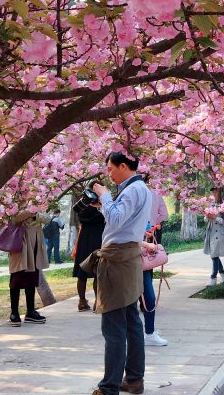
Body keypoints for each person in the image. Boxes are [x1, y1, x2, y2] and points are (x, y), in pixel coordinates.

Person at [85, 152, 152, 395]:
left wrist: (104, 196)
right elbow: (120, 221)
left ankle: (109, 387)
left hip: (118, 260)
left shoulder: (132, 190)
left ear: (124, 166)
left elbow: (114, 220)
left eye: (111, 169)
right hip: (128, 258)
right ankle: (134, 379)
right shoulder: (141, 188)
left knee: (113, 326)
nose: (110, 175)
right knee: (132, 322)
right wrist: (104, 204)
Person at [8, 210, 50, 327]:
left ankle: (30, 312)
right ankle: (14, 313)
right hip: (20, 247)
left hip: (35, 247)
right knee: (16, 279)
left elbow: (47, 219)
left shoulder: (39, 201)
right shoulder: (15, 202)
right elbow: (15, 219)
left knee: (32, 280)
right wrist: (31, 212)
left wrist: (36, 213)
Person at [140, 187, 169, 347]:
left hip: (140, 260)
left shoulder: (142, 213)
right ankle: (136, 333)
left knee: (149, 297)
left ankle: (149, 332)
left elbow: (148, 227)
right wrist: (145, 242)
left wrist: (148, 233)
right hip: (125, 261)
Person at [72, 199, 105, 312]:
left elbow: (81, 217)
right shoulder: (101, 205)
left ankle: (82, 301)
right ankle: (97, 301)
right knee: (98, 271)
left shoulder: (82, 204)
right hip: (98, 238)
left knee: (82, 272)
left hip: (84, 239)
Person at [203, 186, 224, 286]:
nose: (214, 194)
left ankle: (213, 277)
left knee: (214, 255)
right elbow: (205, 220)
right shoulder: (211, 204)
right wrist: (207, 216)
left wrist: (215, 218)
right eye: (213, 192)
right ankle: (223, 275)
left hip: (220, 234)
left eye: (216, 192)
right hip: (211, 232)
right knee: (214, 255)